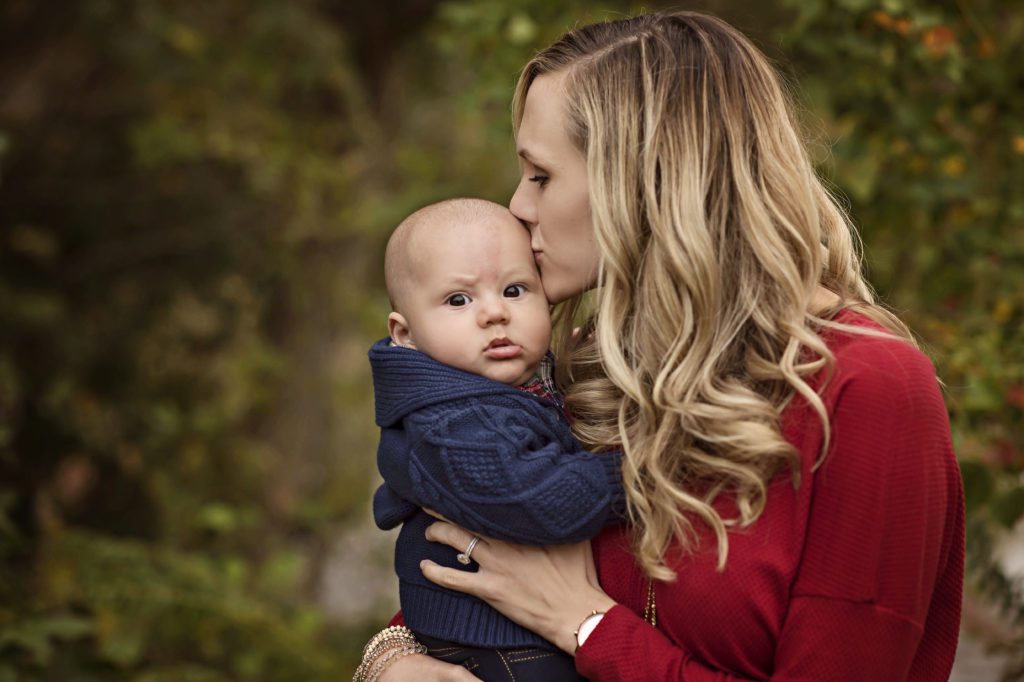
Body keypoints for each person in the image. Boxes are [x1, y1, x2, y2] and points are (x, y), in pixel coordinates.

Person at [361, 11, 964, 681]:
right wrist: (392, 661)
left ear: (643, 179)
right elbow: (478, 573)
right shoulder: (595, 365)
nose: (519, 206)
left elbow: (554, 602)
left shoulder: (866, 388)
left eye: (541, 176)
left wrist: (588, 627)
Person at [359, 198, 622, 681]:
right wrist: (644, 474)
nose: (495, 313)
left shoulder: (499, 392)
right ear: (405, 334)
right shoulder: (454, 423)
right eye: (459, 300)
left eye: (515, 290)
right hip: (502, 652)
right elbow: (543, 501)